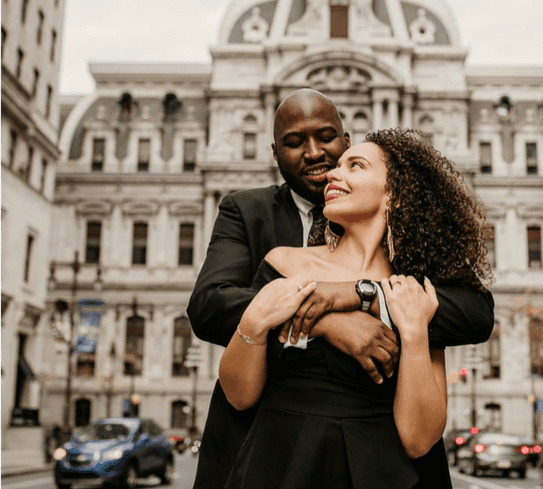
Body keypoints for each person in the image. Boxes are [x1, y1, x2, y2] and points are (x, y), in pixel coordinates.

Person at [187, 88, 495, 489]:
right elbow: (210, 307)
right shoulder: (266, 238)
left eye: (350, 160)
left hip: (384, 467)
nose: (321, 161)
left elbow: (473, 314)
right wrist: (326, 320)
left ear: (395, 194)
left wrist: (365, 295)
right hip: (277, 456)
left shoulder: (414, 288)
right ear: (274, 152)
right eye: (294, 142)